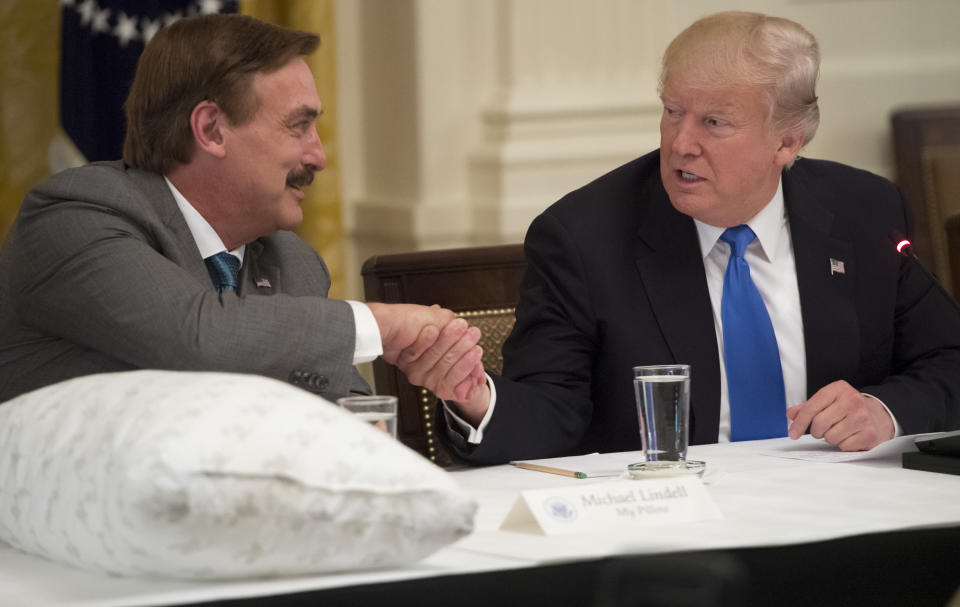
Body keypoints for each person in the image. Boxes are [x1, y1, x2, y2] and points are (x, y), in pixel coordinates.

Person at [407, 11, 960, 465]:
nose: (681, 143)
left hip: (847, 510)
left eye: (715, 123)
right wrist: (476, 400)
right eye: (673, 112)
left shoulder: (864, 211)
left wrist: (883, 410)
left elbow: (948, 358)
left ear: (787, 142)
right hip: (673, 532)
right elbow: (553, 413)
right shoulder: (583, 237)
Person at [0, 14, 485, 404]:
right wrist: (381, 325)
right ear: (211, 129)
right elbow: (193, 338)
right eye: (299, 127)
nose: (319, 155)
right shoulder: (73, 218)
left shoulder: (292, 263)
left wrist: (454, 386)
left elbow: (347, 414)